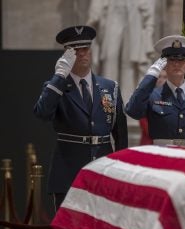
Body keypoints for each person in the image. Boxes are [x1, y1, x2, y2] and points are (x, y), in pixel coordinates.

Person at [34, 25, 128, 212]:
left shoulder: (109, 87)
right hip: (68, 171)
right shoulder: (56, 87)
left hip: (103, 169)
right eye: (76, 51)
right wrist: (59, 77)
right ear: (66, 55)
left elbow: (120, 132)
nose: (82, 54)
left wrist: (121, 169)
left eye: (85, 49)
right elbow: (42, 113)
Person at [126, 35, 185, 148]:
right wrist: (152, 74)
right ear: (164, 65)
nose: (176, 63)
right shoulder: (152, 96)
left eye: (181, 59)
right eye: (171, 59)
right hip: (162, 157)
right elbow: (132, 111)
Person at [139, 69, 167, 145]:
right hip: (150, 143)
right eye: (159, 77)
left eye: (165, 77)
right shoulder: (146, 96)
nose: (161, 80)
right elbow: (143, 121)